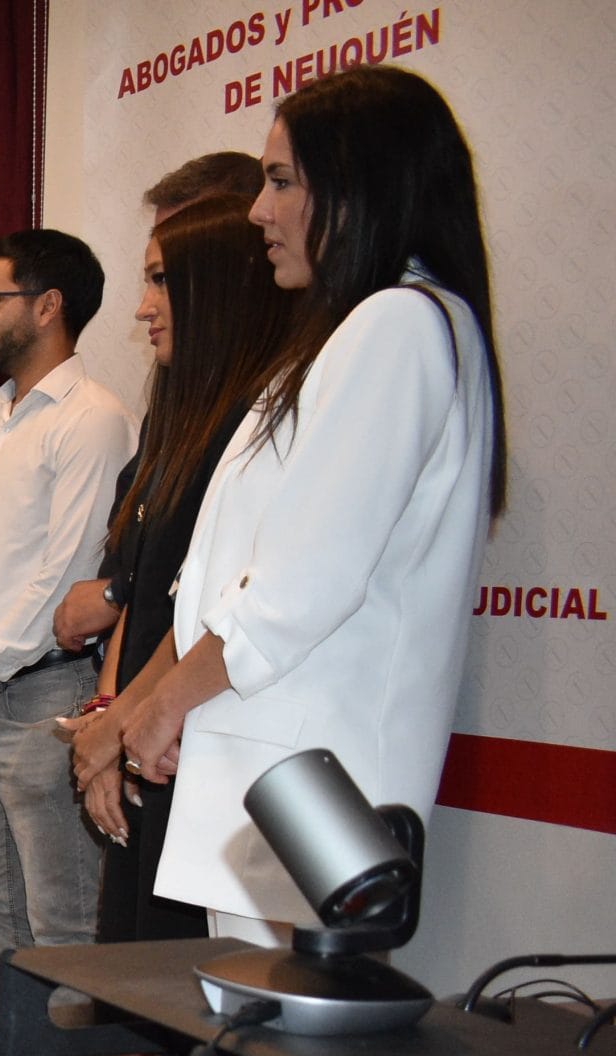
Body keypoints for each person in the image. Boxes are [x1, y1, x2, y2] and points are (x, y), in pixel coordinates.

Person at [122, 66, 505, 937]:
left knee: (275, 1012)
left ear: (362, 187)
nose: (260, 210)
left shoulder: (397, 325)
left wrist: (167, 702)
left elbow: (300, 585)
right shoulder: (361, 330)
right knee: (250, 1011)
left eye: (283, 182)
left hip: (311, 778)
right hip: (285, 772)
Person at [0, 232, 136, 1012]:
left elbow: (64, 580)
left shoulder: (93, 419)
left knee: (61, 918)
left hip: (46, 699)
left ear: (48, 307)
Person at [66, 199, 295, 943]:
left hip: (191, 737)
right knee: (128, 970)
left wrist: (125, 724)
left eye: (162, 280)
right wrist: (110, 718)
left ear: (219, 287)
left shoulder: (255, 425)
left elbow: (209, 615)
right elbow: (141, 594)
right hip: (147, 734)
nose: (142, 308)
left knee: (180, 976)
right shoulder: (173, 418)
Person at [52, 151, 267, 656]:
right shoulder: (174, 398)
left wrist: (115, 596)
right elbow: (134, 543)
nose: (144, 307)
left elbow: (219, 592)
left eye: (167, 275)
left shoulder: (270, 404)